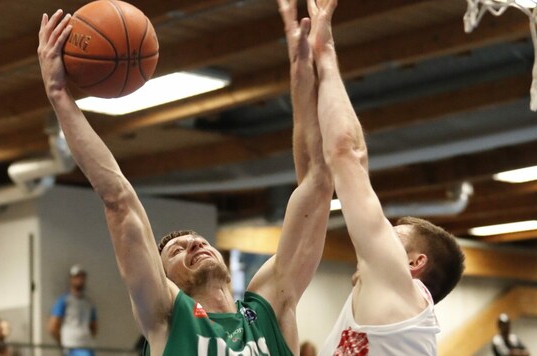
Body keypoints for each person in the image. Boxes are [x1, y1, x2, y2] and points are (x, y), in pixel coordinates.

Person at [37, 7, 333, 355]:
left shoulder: (268, 308)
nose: (194, 244)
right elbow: (119, 199)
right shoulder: (166, 316)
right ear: (163, 281)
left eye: (198, 241)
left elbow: (317, 183)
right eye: (177, 252)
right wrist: (58, 93)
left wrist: (306, 73)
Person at [276, 0, 466, 354]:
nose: (372, 234)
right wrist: (302, 73)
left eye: (390, 235)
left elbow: (347, 155)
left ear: (413, 264)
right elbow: (314, 184)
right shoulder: (378, 313)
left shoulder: (399, 295)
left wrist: (326, 51)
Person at [49, 264, 97, 356]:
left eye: (82, 277)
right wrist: (64, 341)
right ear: (71, 279)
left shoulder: (89, 304)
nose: (80, 280)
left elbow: (94, 327)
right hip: (71, 347)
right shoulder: (64, 301)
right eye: (77, 277)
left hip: (87, 345)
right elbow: (53, 326)